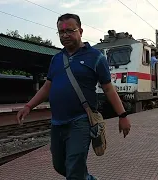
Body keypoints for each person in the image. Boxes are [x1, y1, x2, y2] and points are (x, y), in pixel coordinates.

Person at [16, 13, 131, 180]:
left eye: (70, 31)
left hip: (81, 121)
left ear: (81, 31)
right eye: (61, 32)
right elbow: (47, 87)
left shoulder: (95, 57)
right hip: (57, 122)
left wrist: (123, 115)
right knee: (60, 166)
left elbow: (108, 89)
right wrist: (28, 106)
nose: (65, 35)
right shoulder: (56, 59)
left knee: (74, 169)